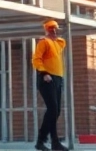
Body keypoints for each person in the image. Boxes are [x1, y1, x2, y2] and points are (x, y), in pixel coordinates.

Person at [32, 19, 68, 151]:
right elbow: (36, 59)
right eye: (51, 28)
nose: (54, 31)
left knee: (56, 111)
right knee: (53, 109)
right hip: (47, 78)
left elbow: (62, 42)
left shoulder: (57, 43)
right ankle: (41, 141)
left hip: (57, 78)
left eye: (55, 28)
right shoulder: (43, 42)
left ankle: (55, 143)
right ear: (47, 30)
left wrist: (53, 37)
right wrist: (43, 73)